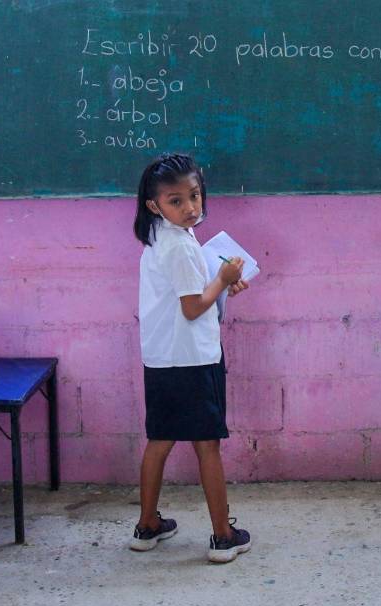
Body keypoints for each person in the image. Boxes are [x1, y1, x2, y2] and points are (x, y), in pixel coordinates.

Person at [129, 153, 252, 563]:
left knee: (160, 441)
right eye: (176, 201)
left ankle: (147, 527)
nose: (190, 208)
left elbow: (194, 296)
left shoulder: (160, 238)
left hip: (162, 358)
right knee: (207, 447)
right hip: (193, 361)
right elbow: (192, 308)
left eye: (195, 196)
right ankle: (222, 535)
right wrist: (222, 279)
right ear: (154, 206)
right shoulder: (180, 246)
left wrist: (221, 286)